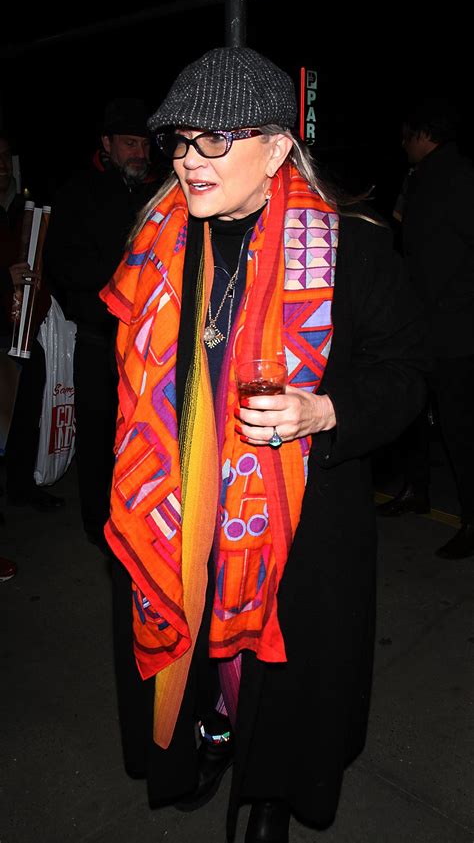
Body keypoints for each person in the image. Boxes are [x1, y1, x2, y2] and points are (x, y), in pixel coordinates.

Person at [100, 48, 428, 843]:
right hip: (175, 503)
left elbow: (405, 376)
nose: (187, 159)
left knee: (279, 674)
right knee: (202, 645)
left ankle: (269, 791)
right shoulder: (157, 235)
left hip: (298, 518)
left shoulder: (353, 247)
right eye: (181, 140)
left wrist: (326, 412)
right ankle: (207, 741)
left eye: (214, 140)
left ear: (279, 146)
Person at [43, 98, 162, 550]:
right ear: (107, 145)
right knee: (97, 437)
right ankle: (100, 525)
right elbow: (62, 262)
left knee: (146, 433)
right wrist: (123, 278)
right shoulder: (78, 191)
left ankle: (142, 517)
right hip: (99, 340)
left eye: (145, 144)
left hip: (150, 342)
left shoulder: (155, 190)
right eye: (130, 143)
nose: (140, 152)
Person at [377, 97, 474, 559]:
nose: (403, 146)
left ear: (421, 135)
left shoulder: (456, 177)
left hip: (452, 330)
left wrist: (448, 300)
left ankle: (472, 520)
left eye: (406, 137)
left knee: (459, 426)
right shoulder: (423, 178)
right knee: (414, 411)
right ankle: (417, 490)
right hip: (426, 325)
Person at [0, 130, 63, 512]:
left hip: (23, 331)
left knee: (27, 410)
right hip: (1, 332)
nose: (2, 167)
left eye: (6, 157)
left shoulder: (22, 211)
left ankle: (22, 485)